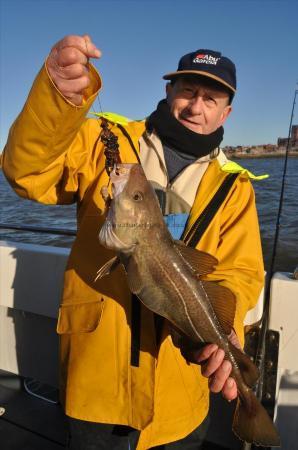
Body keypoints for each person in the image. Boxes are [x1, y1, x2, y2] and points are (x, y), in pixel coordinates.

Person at [2, 35, 264, 449]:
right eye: (187, 91)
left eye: (210, 98)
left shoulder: (236, 185)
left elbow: (242, 270)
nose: (196, 106)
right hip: (98, 377)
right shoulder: (105, 139)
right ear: (168, 92)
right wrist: (58, 99)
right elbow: (27, 171)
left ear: (226, 112)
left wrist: (226, 328)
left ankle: (250, 410)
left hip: (179, 388)